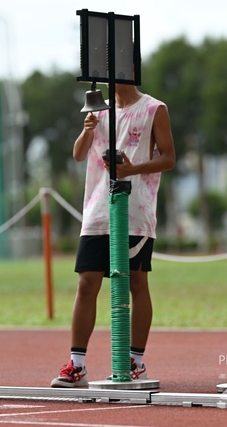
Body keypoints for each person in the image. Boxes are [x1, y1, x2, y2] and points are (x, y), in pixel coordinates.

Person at [51, 83, 175, 387]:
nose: (108, 73)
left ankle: (136, 362)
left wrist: (132, 169)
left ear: (131, 68)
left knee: (136, 282)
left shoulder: (154, 109)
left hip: (135, 211)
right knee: (86, 283)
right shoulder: (98, 108)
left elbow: (169, 158)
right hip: (97, 210)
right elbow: (79, 154)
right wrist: (87, 130)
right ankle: (77, 365)